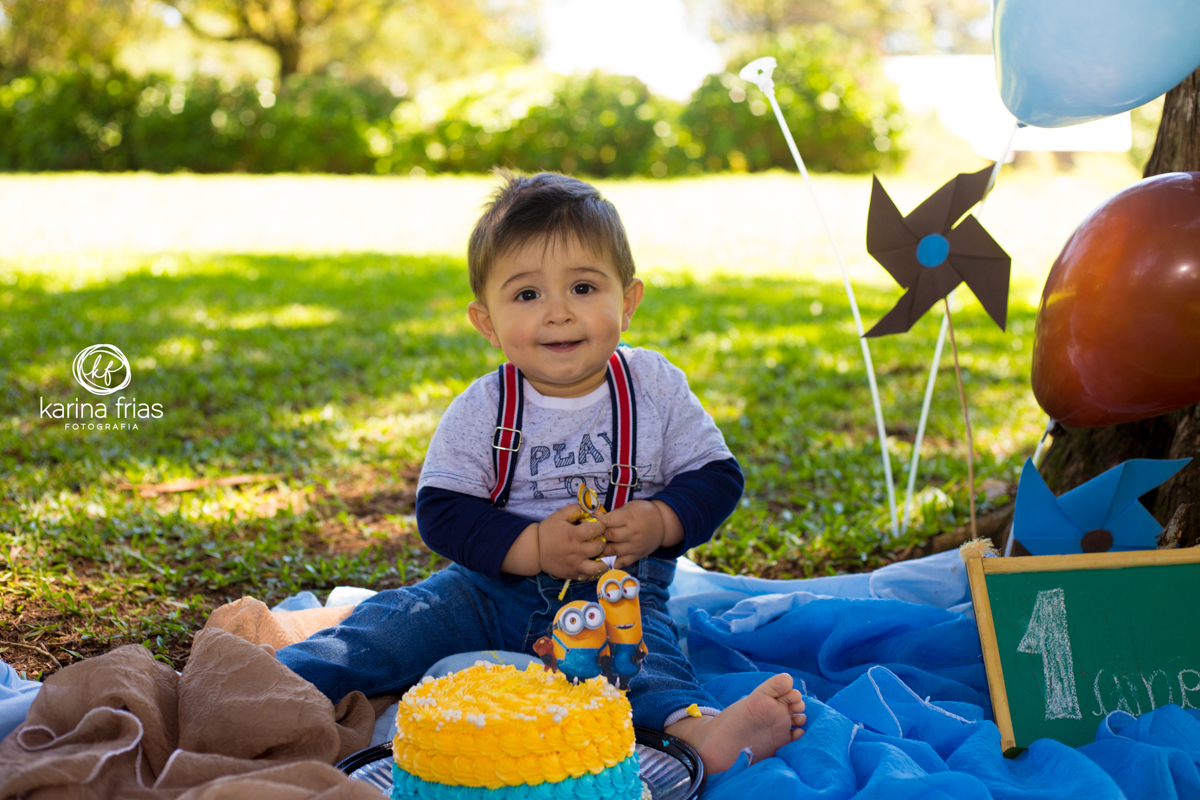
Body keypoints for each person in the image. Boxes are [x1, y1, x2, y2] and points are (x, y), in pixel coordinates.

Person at [277, 171, 805, 773]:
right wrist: (530, 546)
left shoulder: (653, 387)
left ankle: (697, 732)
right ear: (487, 322)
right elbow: (443, 510)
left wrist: (661, 520)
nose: (558, 313)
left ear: (627, 301)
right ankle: (274, 686)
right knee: (392, 626)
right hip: (485, 591)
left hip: (615, 596)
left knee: (642, 662)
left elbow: (716, 476)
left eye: (582, 287)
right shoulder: (485, 406)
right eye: (527, 295)